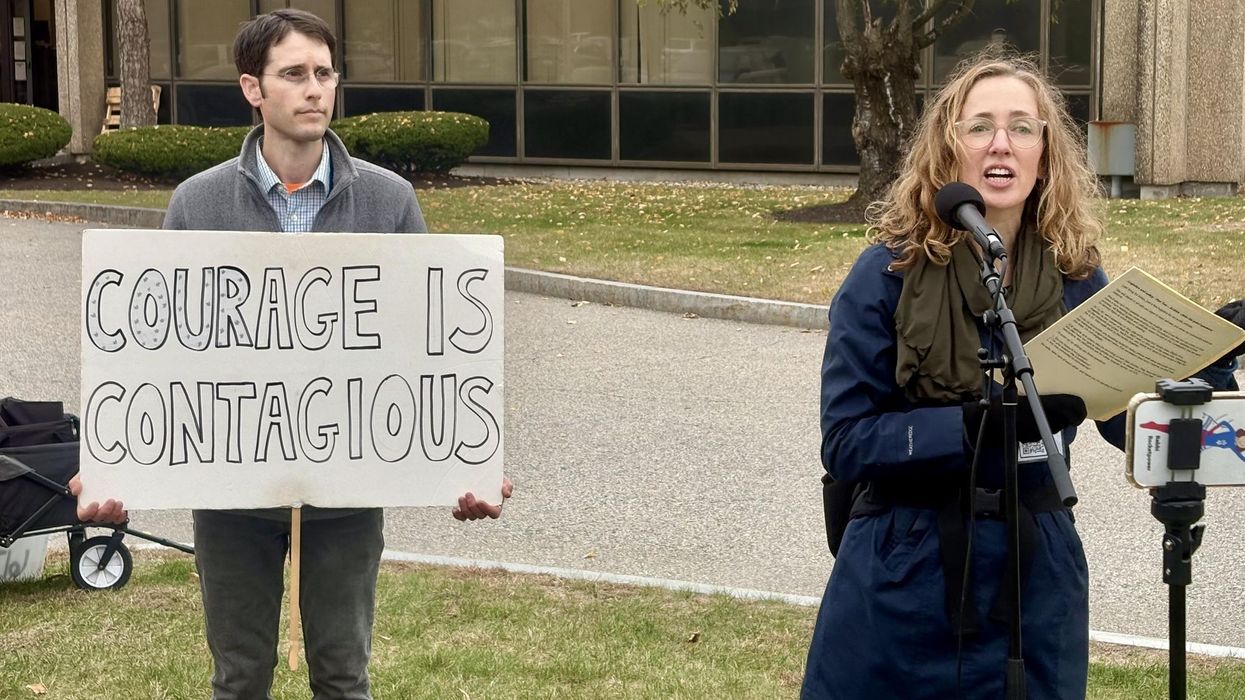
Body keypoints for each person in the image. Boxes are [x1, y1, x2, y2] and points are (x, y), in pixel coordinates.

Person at [74, 9, 512, 700]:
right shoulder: (199, 202)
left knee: (343, 678)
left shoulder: (388, 201)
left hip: (345, 501)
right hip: (232, 502)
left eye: (325, 73)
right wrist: (111, 463)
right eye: (294, 75)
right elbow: (157, 356)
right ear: (253, 88)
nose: (315, 89)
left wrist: (463, 463)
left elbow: (427, 349)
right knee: (239, 678)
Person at [800, 51, 1241, 699]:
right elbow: (846, 442)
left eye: (1021, 127)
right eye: (978, 127)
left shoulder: (1074, 276)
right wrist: (973, 429)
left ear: (1044, 153)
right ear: (947, 150)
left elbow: (1124, 421)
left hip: (1033, 567)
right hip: (904, 563)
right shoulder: (883, 275)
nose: (1000, 143)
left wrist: (1188, 374)